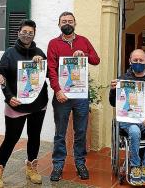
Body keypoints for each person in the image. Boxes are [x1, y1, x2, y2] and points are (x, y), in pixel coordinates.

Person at [0, 19, 48, 187]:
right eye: (24, 32)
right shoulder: (9, 53)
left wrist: (41, 62)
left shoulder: (39, 52)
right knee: (11, 138)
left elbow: (45, 74)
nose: (27, 35)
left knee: (34, 136)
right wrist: (9, 97)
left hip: (38, 104)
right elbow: (1, 78)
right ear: (18, 33)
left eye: (30, 33)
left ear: (34, 34)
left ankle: (32, 168)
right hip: (16, 105)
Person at [47, 11, 100, 181]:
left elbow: (96, 59)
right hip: (62, 95)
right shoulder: (53, 43)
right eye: (64, 21)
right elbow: (51, 69)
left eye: (70, 21)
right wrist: (57, 90)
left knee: (81, 131)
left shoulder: (83, 41)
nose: (67, 23)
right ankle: (58, 165)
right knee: (60, 132)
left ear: (75, 23)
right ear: (59, 24)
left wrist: (84, 55)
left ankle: (80, 162)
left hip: (80, 95)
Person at [109, 49, 145, 185]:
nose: (138, 63)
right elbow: (112, 103)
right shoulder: (122, 80)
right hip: (129, 121)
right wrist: (112, 90)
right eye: (135, 60)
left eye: (141, 60)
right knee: (134, 131)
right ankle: (134, 167)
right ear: (130, 61)